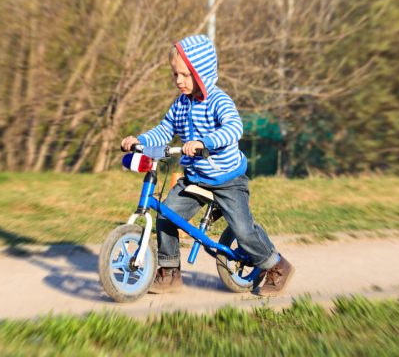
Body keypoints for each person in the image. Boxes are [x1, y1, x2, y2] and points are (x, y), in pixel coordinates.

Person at [120, 34, 294, 296]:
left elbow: (234, 128)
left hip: (228, 179)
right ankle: (169, 272)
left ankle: (276, 265)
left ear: (201, 72)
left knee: (243, 231)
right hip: (195, 177)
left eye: (185, 75)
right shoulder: (180, 104)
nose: (179, 81)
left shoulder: (218, 101)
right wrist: (140, 140)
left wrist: (205, 142)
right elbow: (165, 130)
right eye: (175, 75)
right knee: (166, 214)